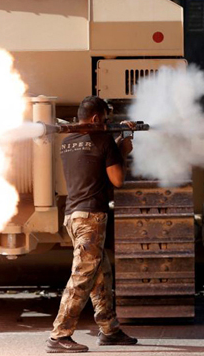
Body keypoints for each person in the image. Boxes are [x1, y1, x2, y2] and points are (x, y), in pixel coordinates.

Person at [46, 96, 137, 353]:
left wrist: (116, 144)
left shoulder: (68, 142)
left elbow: (91, 169)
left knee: (101, 277)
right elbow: (116, 179)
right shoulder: (103, 140)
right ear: (97, 119)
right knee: (82, 277)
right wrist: (124, 150)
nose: (107, 123)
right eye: (105, 119)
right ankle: (58, 335)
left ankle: (110, 330)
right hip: (90, 219)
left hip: (73, 216)